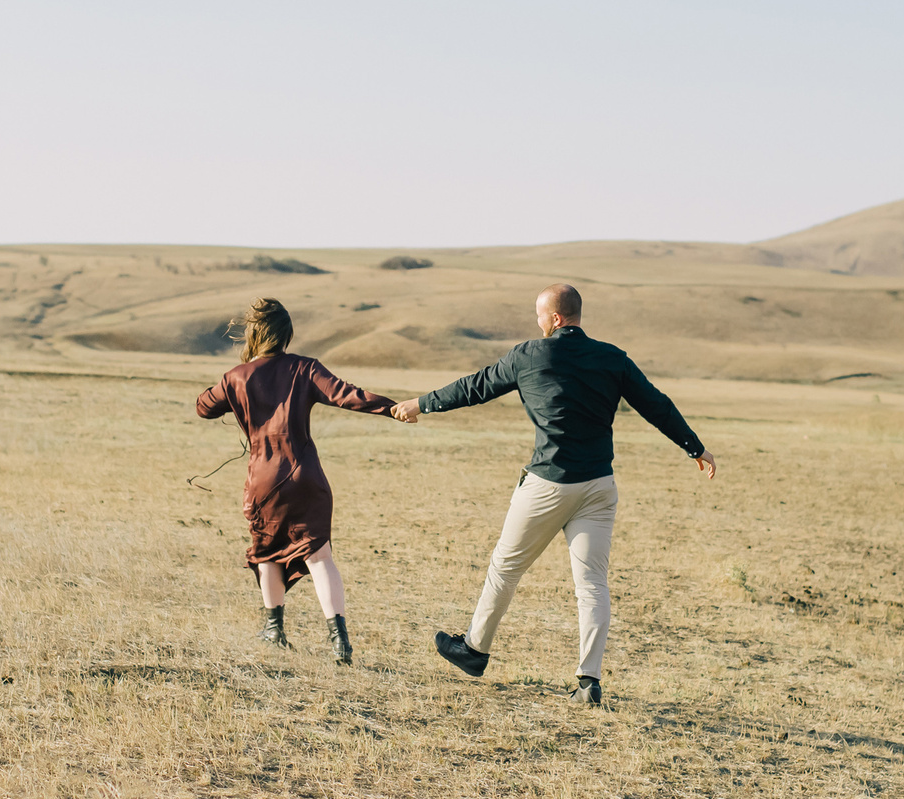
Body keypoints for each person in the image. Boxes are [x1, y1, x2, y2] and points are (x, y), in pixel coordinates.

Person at [391, 283, 714, 706]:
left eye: (541, 315)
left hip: (547, 484)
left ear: (556, 318)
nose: (538, 322)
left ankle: (473, 650)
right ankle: (588, 681)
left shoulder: (529, 354)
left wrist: (421, 404)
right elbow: (656, 404)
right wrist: (695, 447)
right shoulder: (613, 358)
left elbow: (475, 387)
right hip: (599, 486)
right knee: (593, 585)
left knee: (505, 568)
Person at [194, 297, 408, 664]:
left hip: (263, 480)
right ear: (286, 334)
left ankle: (274, 630)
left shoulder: (237, 377)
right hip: (305, 475)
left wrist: (237, 385)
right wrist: (392, 407)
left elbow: (203, 406)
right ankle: (339, 640)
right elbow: (347, 395)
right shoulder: (305, 368)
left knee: (267, 553)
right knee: (320, 556)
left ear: (255, 333)